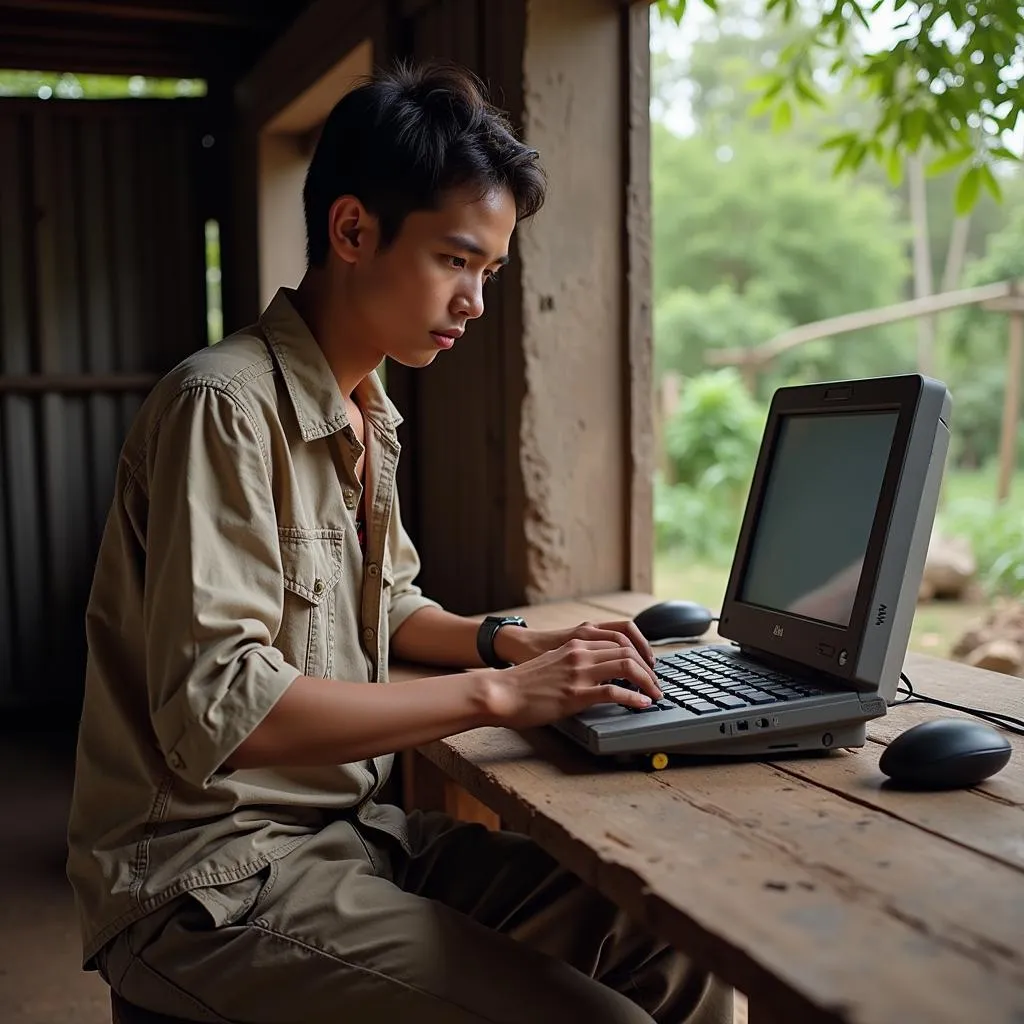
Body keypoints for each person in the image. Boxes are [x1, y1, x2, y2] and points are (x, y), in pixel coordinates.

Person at [67, 62, 732, 1024]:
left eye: (490, 273)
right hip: (209, 879)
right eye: (455, 261)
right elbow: (224, 709)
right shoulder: (224, 405)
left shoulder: (362, 408)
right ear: (352, 231)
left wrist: (508, 641)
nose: (474, 301)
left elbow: (391, 605)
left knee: (673, 942)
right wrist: (499, 695)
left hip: (349, 832)